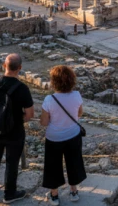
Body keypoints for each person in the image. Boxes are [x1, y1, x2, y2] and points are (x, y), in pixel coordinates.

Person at [0, 54, 34, 203]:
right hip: (14, 130)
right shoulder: (22, 88)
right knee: (12, 161)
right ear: (20, 68)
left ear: (4, 65)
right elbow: (30, 114)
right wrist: (16, 119)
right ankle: (9, 194)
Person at [40, 65, 87, 204]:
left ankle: (54, 195)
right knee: (74, 161)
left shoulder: (49, 99)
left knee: (52, 165)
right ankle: (74, 191)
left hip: (54, 137)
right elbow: (79, 113)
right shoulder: (77, 95)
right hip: (73, 134)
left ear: (54, 81)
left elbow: (44, 122)